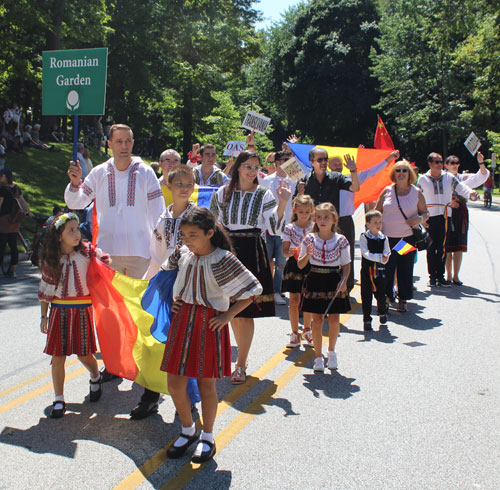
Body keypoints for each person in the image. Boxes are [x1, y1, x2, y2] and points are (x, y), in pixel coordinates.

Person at [65, 123, 166, 418]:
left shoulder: (144, 171)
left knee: (140, 315)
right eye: (118, 140)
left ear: (133, 142)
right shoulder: (98, 172)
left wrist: (160, 250)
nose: (124, 145)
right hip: (107, 255)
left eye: (128, 140)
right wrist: (74, 183)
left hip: (139, 252)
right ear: (109, 142)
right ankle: (114, 364)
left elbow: (159, 211)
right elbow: (76, 201)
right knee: (110, 314)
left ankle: (150, 382)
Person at [162, 207, 262, 463]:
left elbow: (253, 290)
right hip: (182, 319)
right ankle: (187, 429)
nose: (187, 239)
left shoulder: (223, 259)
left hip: (209, 323)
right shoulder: (182, 253)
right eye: (184, 234)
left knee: (207, 385)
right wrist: (171, 299)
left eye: (193, 234)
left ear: (209, 233)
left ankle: (207, 435)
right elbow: (164, 275)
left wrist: (228, 315)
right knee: (175, 383)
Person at [210, 151, 291, 384]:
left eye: (255, 167)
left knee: (244, 312)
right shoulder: (222, 193)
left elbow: (274, 228)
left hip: (251, 251)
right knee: (230, 311)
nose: (252, 171)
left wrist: (284, 202)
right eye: (247, 166)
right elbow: (212, 223)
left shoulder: (265, 194)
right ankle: (235, 361)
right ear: (237, 168)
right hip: (226, 251)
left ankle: (241, 363)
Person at [38, 213, 110, 418]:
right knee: (57, 356)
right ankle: (59, 399)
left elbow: (105, 267)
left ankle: (95, 377)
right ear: (59, 236)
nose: (77, 233)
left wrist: (104, 261)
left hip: (82, 309)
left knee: (84, 354)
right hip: (59, 310)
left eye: (77, 228)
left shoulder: (88, 253)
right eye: (71, 230)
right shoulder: (52, 259)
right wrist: (43, 317)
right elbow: (45, 291)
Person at [329, 150, 400, 291]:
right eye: (334, 164)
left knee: (347, 254)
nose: (337, 166)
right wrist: (291, 152)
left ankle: (347, 286)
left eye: (339, 163)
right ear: (329, 166)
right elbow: (302, 169)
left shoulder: (351, 178)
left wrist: (389, 157)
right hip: (328, 222)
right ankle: (331, 285)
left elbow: (372, 171)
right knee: (329, 253)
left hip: (345, 221)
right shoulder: (324, 180)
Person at [298, 202, 351, 371]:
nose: (322, 220)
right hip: (315, 279)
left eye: (326, 217)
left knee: (335, 318)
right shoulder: (309, 239)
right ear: (315, 219)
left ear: (334, 219)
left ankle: (332, 351)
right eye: (319, 217)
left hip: (333, 279)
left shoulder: (341, 240)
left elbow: (346, 264)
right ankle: (318, 356)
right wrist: (307, 254)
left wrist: (344, 281)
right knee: (318, 320)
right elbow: (300, 265)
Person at [375, 159, 428, 311]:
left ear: (410, 174)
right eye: (398, 170)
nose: (401, 173)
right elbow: (377, 212)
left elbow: (425, 213)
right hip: (387, 239)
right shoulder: (387, 191)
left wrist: (420, 219)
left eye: (404, 170)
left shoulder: (416, 192)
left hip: (406, 238)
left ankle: (403, 298)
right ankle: (385, 298)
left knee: (405, 269)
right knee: (387, 269)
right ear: (393, 173)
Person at [418, 153, 475, 287]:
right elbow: (417, 199)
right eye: (437, 162)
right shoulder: (422, 179)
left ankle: (441, 276)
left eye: (441, 161)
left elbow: (461, 187)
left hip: (445, 217)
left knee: (443, 247)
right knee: (431, 248)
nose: (439, 164)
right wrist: (421, 218)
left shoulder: (448, 177)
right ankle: (432, 276)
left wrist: (471, 193)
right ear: (430, 164)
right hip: (429, 217)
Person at [444, 153, 489, 285]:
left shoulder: (463, 178)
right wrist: (449, 201)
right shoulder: (442, 178)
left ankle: (456, 276)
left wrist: (481, 162)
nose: (455, 165)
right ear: (446, 165)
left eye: (457, 163)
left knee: (459, 245)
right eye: (452, 163)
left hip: (460, 214)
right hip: (446, 213)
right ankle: (448, 275)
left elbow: (481, 177)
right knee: (447, 247)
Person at [260, 149, 297, 305]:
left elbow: (305, 169)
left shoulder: (294, 180)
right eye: (284, 160)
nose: (288, 163)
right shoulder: (267, 180)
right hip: (268, 229)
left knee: (281, 264)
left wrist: (293, 149)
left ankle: (277, 291)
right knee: (266, 262)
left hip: (285, 230)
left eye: (290, 160)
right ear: (277, 163)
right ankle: (265, 291)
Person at [281, 194, 314, 348]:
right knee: (294, 300)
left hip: (311, 265)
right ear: (295, 211)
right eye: (301, 212)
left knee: (308, 299)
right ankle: (294, 333)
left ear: (312, 211)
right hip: (294, 265)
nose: (304, 215)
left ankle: (307, 329)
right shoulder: (289, 228)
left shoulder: (314, 227)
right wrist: (291, 251)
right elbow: (284, 251)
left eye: (307, 212)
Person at [296, 147, 359, 220]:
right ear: (311, 162)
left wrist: (353, 171)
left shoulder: (337, 177)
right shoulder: (304, 180)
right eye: (320, 160)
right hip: (312, 224)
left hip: (333, 224)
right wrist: (300, 194)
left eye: (326, 159)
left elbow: (355, 188)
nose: (324, 162)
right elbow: (295, 205)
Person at [359, 210, 390, 330]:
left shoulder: (384, 238)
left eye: (380, 222)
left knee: (381, 294)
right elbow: (365, 252)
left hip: (380, 270)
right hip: (367, 270)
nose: (378, 224)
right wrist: (378, 257)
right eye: (375, 222)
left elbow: (387, 250)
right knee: (366, 295)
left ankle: (382, 311)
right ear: (367, 224)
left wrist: (386, 257)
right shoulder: (364, 237)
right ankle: (367, 319)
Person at [0, 167, 33, 278]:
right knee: (13, 245)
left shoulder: (3, 190)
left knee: (2, 245)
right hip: (15, 221)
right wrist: (29, 212)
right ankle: (13, 270)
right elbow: (22, 201)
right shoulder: (16, 188)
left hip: (4, 220)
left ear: (5, 176)